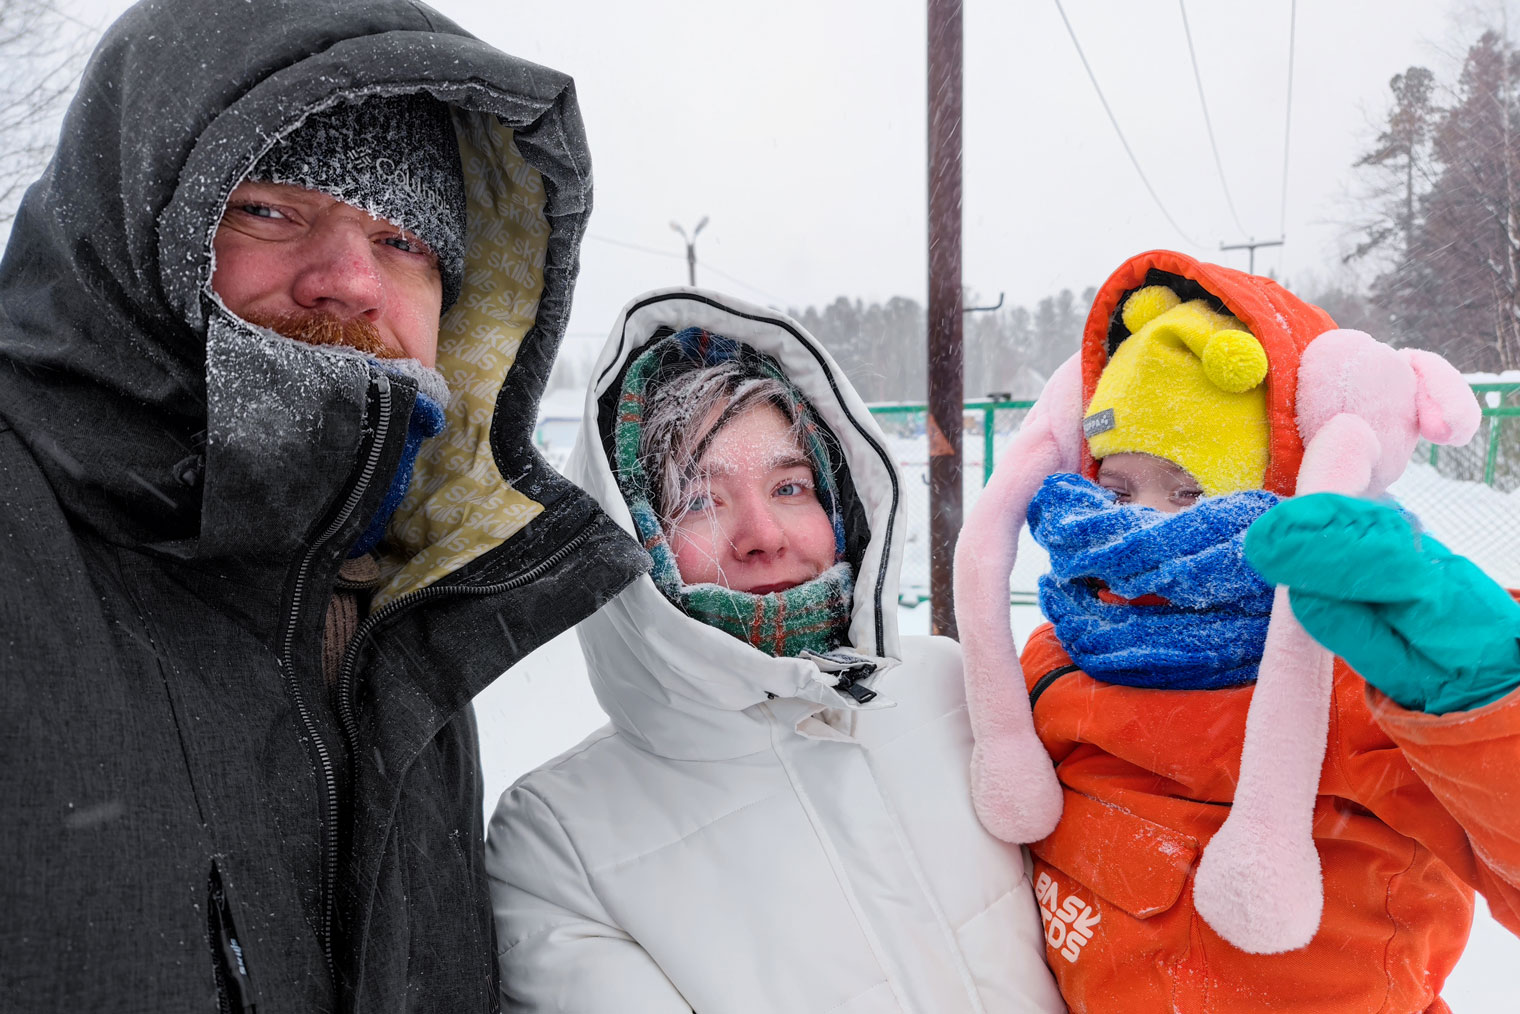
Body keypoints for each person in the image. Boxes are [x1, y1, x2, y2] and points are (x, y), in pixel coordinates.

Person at [0, 1, 646, 1010]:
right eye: (268, 209)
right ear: (130, 232)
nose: (349, 280)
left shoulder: (405, 610)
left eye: (403, 239)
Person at [953, 249, 1520, 1013]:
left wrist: (1493, 706)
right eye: (1116, 488)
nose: (1143, 527)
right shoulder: (1058, 666)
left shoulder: (1372, 680)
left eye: (1192, 490)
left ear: (1292, 486)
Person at [484, 288, 1064, 1013]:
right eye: (698, 500)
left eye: (790, 486)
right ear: (631, 537)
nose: (764, 533)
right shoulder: (555, 844)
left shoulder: (959, 690)